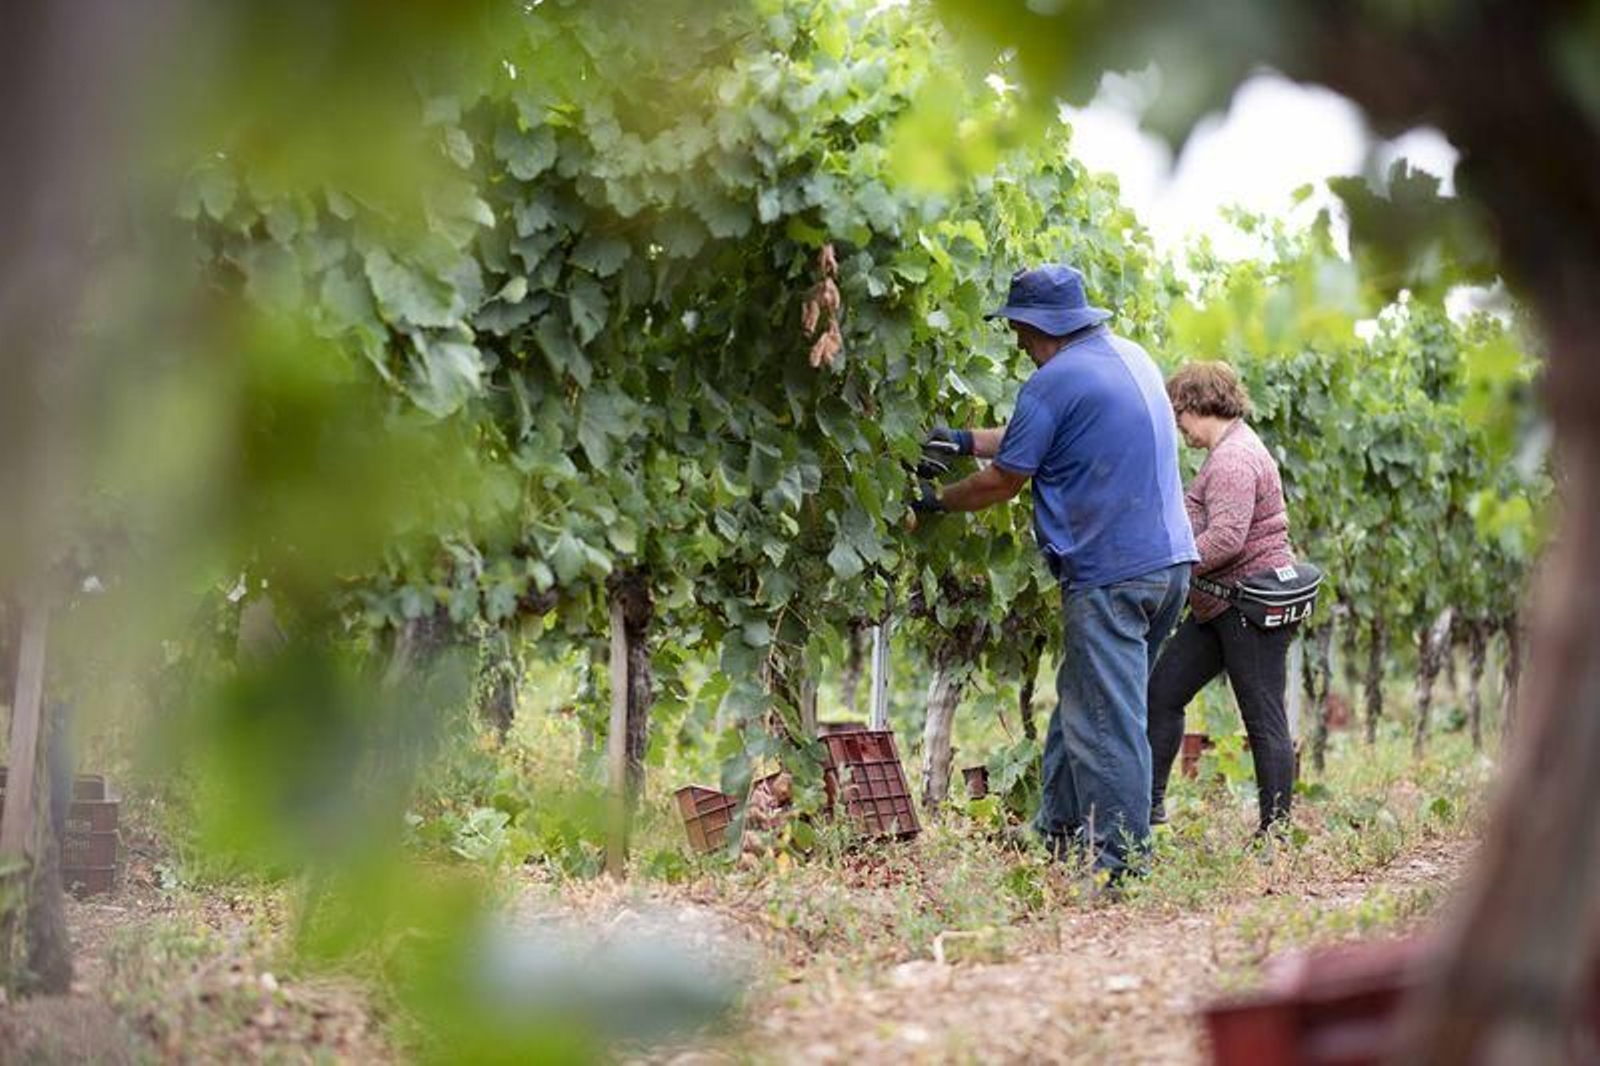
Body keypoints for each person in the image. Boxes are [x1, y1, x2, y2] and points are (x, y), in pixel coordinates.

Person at [916, 265, 1196, 879]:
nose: (1015, 339)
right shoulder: (1128, 356)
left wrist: (936, 503)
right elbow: (1034, 436)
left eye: (1017, 327)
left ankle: (1120, 866)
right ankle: (1060, 832)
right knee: (1090, 700)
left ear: (1035, 325)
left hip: (1111, 575)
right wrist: (962, 439)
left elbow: (1006, 480)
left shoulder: (1054, 380)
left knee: (1109, 722)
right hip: (1169, 568)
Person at [1145, 362, 1298, 835]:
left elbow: (1227, 539)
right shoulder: (1230, 449)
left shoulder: (1233, 458)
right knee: (1163, 695)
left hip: (1247, 609)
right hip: (1219, 606)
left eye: (1178, 415)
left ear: (1195, 405)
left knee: (1262, 716)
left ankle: (1276, 832)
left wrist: (1172, 569)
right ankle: (1150, 810)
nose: (1179, 427)